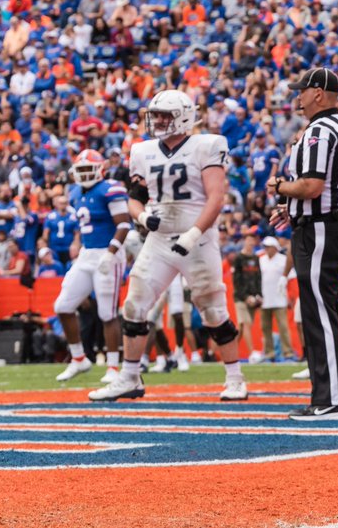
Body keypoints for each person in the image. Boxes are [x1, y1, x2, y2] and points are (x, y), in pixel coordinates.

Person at [88, 90, 247, 402]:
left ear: (184, 116)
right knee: (133, 305)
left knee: (213, 310)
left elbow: (216, 197)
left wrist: (193, 234)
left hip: (198, 239)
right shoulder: (142, 150)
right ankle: (129, 378)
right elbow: (134, 198)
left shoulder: (207, 145)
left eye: (165, 115)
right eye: (156, 114)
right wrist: (142, 217)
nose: (159, 120)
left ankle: (235, 378)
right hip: (159, 239)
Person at [269, 67, 338, 419]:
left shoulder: (319, 131)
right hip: (325, 224)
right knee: (321, 313)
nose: (298, 96)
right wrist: (292, 208)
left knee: (320, 315)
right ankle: (326, 396)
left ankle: (331, 399)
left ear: (318, 93)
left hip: (320, 229)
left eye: (302, 90)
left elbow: (312, 186)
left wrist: (280, 187)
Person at [54, 149, 131, 383]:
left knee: (107, 313)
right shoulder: (76, 192)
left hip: (108, 253)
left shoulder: (110, 189)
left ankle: (113, 368)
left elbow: (124, 225)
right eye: (82, 170)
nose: (85, 174)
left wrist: (110, 253)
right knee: (63, 306)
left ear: (100, 169)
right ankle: (79, 358)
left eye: (89, 169)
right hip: (86, 254)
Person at [258, 236, 294, 362]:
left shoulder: (283, 260)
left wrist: (290, 296)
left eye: (268, 247)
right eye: (265, 247)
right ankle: (269, 353)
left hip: (280, 298)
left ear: (275, 248)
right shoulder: (261, 260)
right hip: (264, 299)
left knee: (283, 326)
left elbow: (291, 279)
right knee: (265, 327)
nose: (266, 249)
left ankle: (288, 352)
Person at [230, 233, 264, 363]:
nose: (251, 243)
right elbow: (236, 280)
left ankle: (230, 352)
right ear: (244, 241)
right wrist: (245, 296)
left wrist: (259, 295)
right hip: (240, 297)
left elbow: (258, 277)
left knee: (241, 328)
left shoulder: (255, 258)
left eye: (252, 240)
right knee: (246, 323)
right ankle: (252, 354)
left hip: (253, 297)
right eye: (249, 240)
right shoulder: (238, 258)